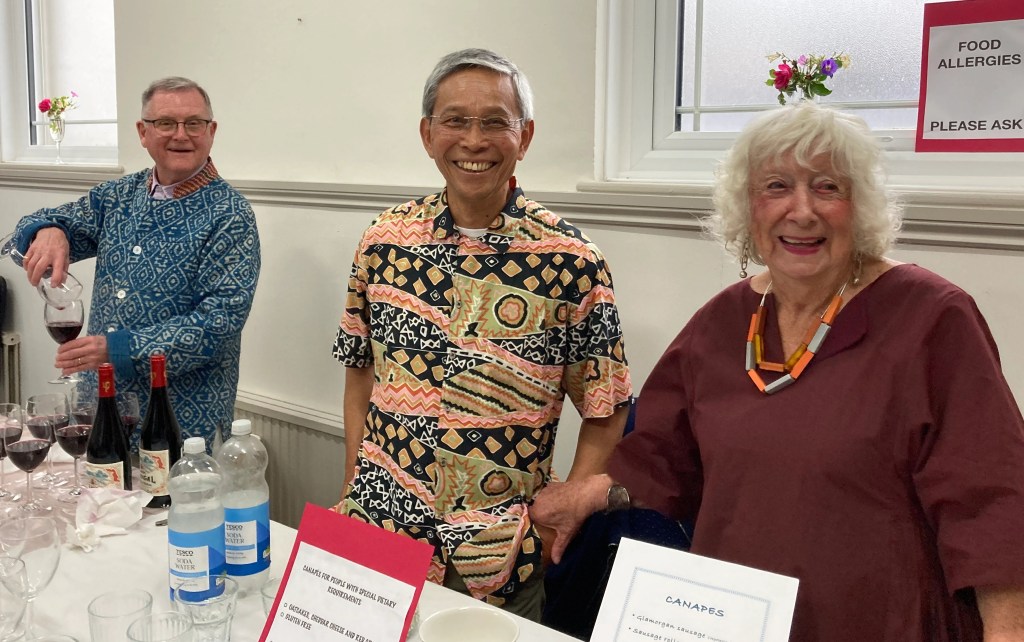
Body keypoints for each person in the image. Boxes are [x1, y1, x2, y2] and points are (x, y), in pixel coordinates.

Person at [531, 102, 1024, 641]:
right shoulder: (724, 321)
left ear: (861, 206)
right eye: (776, 186)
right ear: (747, 208)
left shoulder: (932, 319)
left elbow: (992, 502)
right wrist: (589, 494)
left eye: (828, 187)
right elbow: (665, 459)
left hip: (878, 620)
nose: (802, 211)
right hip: (737, 618)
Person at [331, 48, 631, 620]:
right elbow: (359, 370)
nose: (474, 140)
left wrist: (563, 512)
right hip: (378, 533)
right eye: (455, 120)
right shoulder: (383, 241)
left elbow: (607, 405)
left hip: (497, 557)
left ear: (525, 136)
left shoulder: (573, 261)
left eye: (495, 121)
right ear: (427, 134)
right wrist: (353, 482)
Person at [13, 76, 260, 450]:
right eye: (166, 123)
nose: (181, 135)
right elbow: (22, 235)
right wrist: (47, 229)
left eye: (194, 123)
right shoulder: (117, 195)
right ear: (143, 133)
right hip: (101, 409)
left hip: (182, 421)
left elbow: (218, 324)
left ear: (211, 132)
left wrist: (117, 349)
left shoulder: (230, 215)